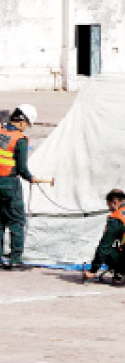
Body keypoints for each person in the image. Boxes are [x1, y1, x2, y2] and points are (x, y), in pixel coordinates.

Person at [1, 105, 54, 270]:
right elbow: (22, 168)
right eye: (27, 124)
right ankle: (15, 258)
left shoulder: (1, 132)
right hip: (9, 185)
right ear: (22, 121)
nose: (26, 128)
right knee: (16, 221)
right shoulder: (20, 139)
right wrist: (31, 178)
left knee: (0, 222)